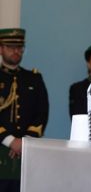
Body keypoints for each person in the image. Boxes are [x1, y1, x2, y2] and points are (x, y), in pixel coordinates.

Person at [0, 28, 49, 192]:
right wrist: (11, 141)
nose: (16, 51)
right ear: (1, 49)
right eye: (10, 47)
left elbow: (42, 113)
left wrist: (25, 142)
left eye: (19, 47)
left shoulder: (34, 78)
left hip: (27, 155)